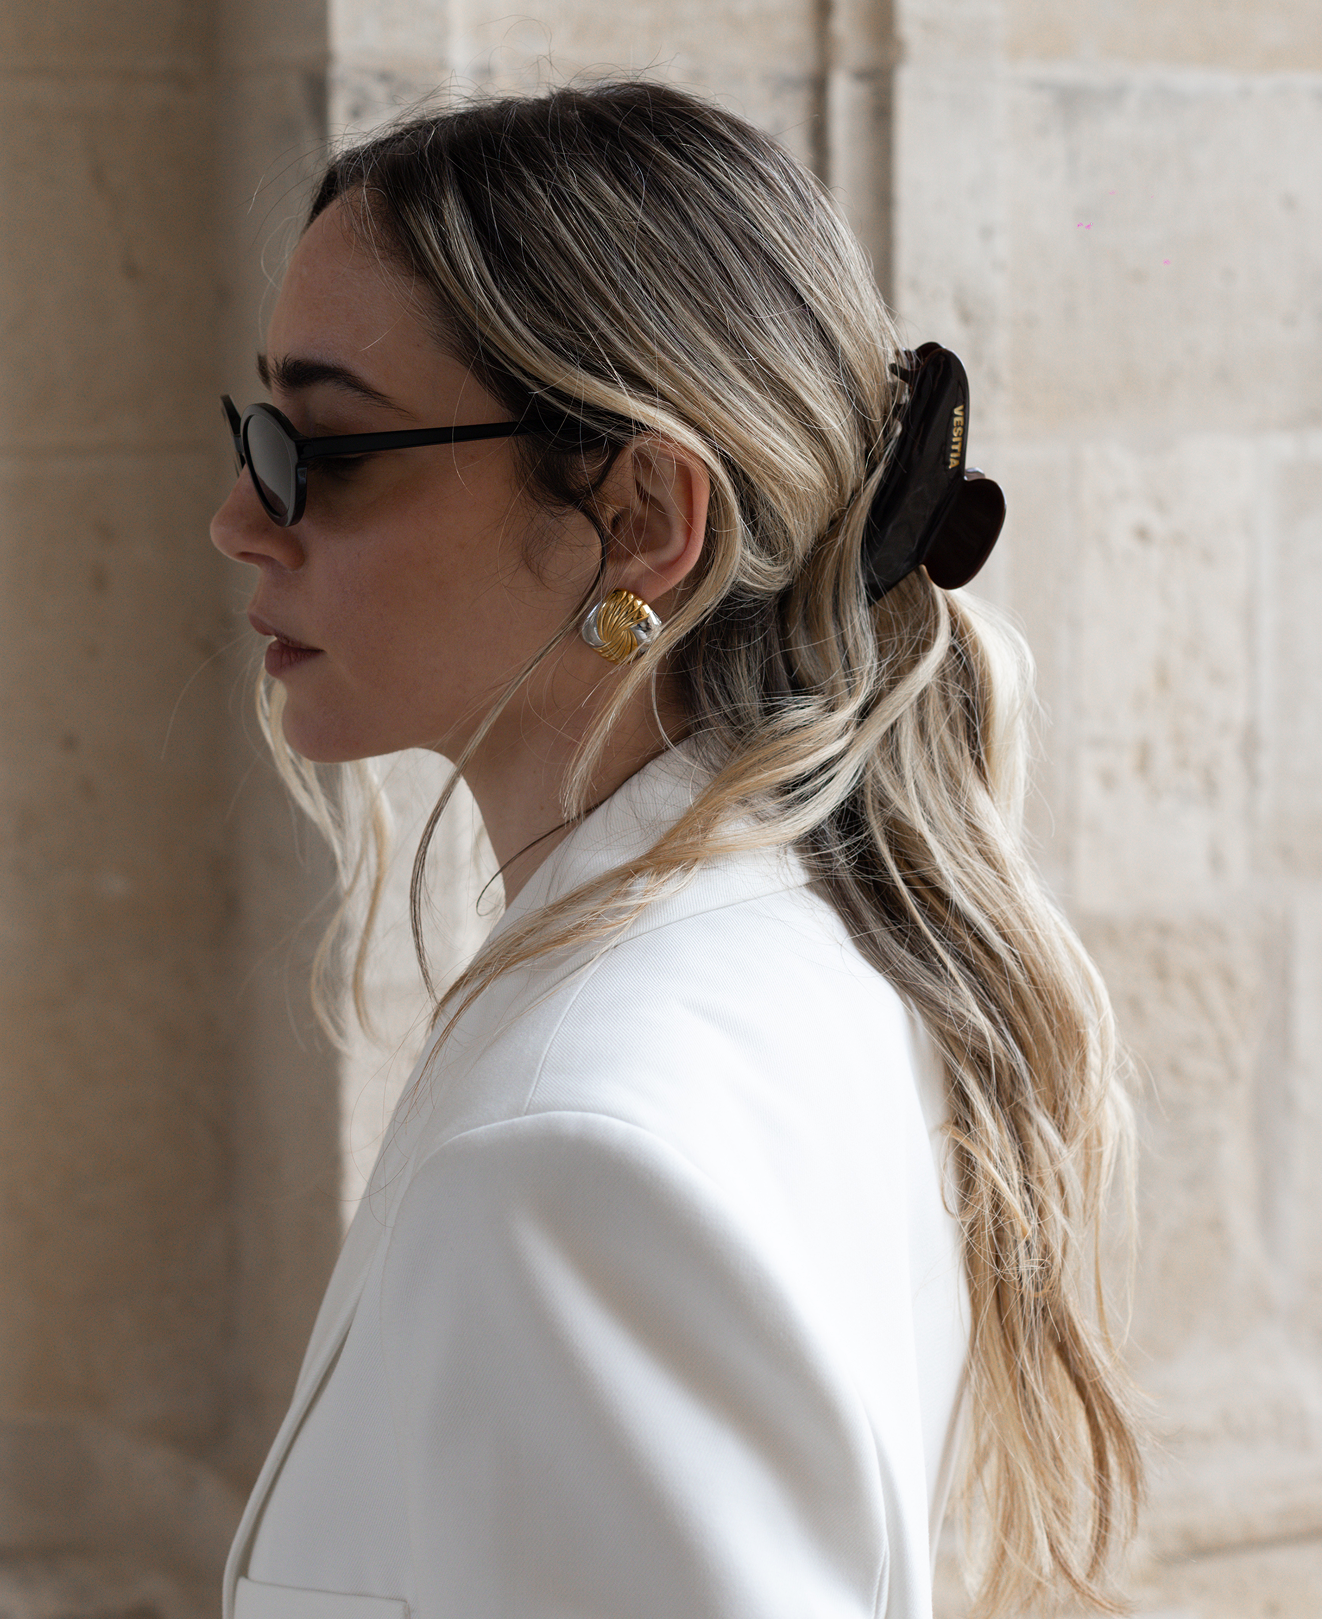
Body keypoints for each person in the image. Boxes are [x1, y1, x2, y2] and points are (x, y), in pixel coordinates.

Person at [210, 79, 1142, 1619]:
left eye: (330, 446)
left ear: (641, 515)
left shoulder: (574, 1160)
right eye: (259, 427)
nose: (244, 515)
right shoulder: (803, 930)